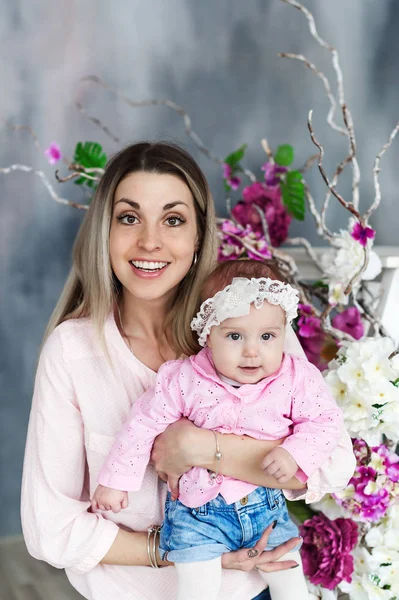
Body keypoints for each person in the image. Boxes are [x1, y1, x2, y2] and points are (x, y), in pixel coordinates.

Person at [21, 142, 355, 600]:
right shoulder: (73, 352)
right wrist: (184, 551)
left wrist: (202, 447)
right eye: (129, 217)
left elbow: (332, 464)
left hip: (253, 590)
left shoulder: (249, 320)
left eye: (173, 219)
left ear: (199, 237)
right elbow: (49, 528)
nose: (150, 241)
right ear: (105, 232)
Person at [91, 260, 346, 600]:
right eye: (235, 335)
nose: (252, 350)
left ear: (284, 332)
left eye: (268, 336)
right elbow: (142, 424)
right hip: (199, 514)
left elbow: (326, 421)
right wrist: (115, 481)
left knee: (292, 588)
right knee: (198, 589)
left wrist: (294, 452)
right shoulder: (184, 378)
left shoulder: (296, 378)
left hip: (267, 508)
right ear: (208, 335)